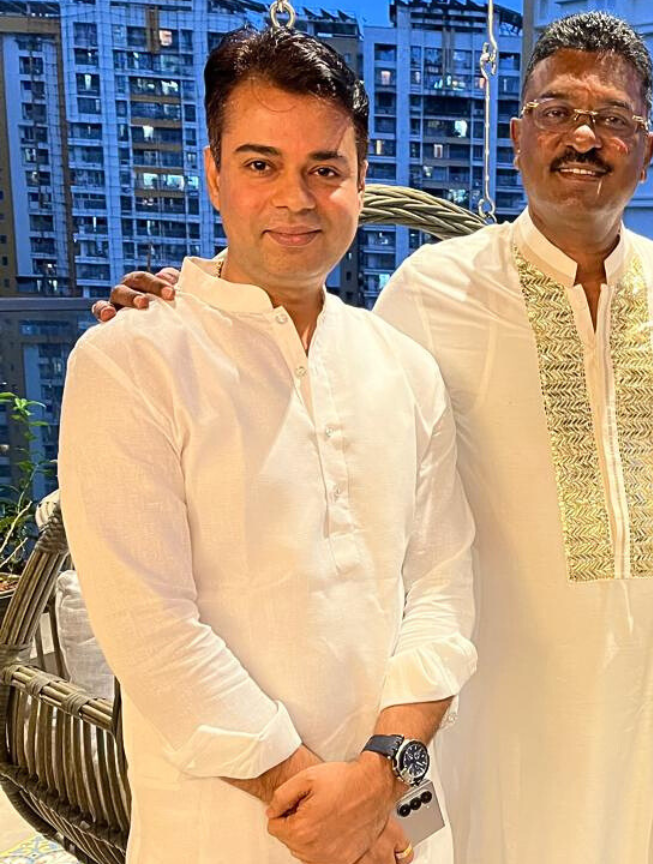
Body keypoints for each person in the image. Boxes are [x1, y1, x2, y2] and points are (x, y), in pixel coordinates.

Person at [96, 12, 653, 864]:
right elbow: (290, 364)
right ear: (516, 133)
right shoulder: (432, 289)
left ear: (646, 147)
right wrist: (181, 305)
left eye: (612, 118)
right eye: (556, 110)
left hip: (630, 702)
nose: (583, 135)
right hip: (488, 710)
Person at [60, 26, 476, 864]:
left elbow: (441, 586)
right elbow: (149, 627)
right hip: (222, 830)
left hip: (398, 823)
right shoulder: (132, 359)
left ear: (361, 180)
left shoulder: (402, 366)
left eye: (325, 168)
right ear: (213, 173)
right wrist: (314, 803)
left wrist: (380, 775)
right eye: (260, 164)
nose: (297, 195)